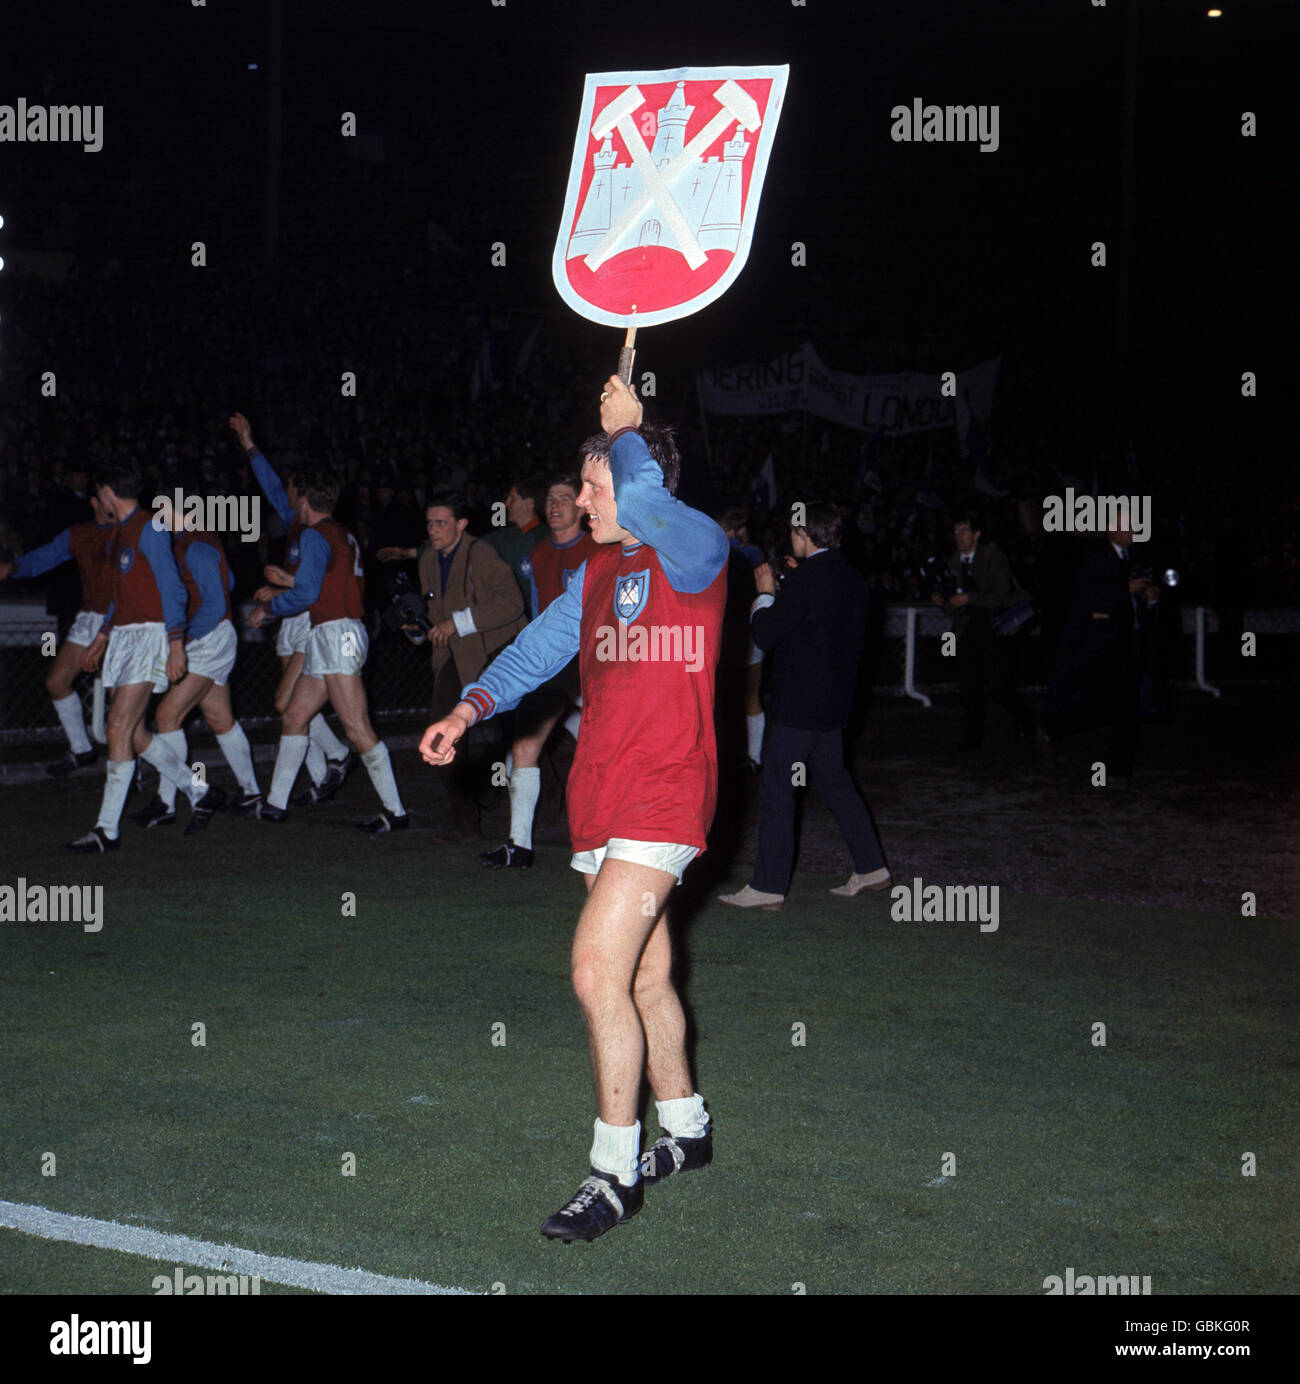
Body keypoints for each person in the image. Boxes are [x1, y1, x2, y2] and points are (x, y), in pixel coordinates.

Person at [419, 377, 729, 1243]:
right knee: (645, 977)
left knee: (594, 969)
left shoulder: (696, 551)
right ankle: (689, 1132)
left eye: (591, 485)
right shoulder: (595, 574)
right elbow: (531, 655)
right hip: (605, 794)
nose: (578, 499)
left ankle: (613, 1172)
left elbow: (643, 493)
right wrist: (467, 708)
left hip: (664, 793)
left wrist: (625, 435)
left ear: (636, 486)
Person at [718, 501, 891, 908]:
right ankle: (872, 867)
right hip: (836, 708)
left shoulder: (806, 581)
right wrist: (791, 588)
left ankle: (768, 887)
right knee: (836, 782)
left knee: (778, 789)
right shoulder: (852, 578)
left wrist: (764, 596)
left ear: (803, 534)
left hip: (799, 707)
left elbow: (765, 636)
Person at [65, 466, 228, 851]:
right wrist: (103, 634)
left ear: (106, 492)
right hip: (124, 635)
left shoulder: (150, 528)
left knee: (118, 725)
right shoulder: (122, 531)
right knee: (133, 732)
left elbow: (173, 588)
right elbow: (120, 595)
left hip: (148, 636)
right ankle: (200, 791)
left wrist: (174, 642)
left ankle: (106, 831)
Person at [248, 467, 408, 831]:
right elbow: (320, 587)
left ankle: (396, 813)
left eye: (293, 496)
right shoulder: (342, 533)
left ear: (304, 501)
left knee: (356, 727)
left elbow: (306, 593)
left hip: (337, 633)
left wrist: (268, 607)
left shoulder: (316, 535)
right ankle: (274, 805)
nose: (289, 501)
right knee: (293, 714)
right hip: (330, 632)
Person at [231, 413, 356, 805]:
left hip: (311, 614)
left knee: (288, 703)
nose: (284, 492)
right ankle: (324, 776)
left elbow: (314, 585)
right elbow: (269, 485)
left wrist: (279, 591)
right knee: (295, 704)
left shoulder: (321, 529)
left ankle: (334, 758)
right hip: (294, 615)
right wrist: (249, 446)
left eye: (291, 488)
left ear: (304, 494)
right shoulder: (295, 521)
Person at [480, 463, 598, 869]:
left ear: (582, 507)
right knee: (525, 745)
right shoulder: (538, 553)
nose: (555, 506)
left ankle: (617, 834)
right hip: (550, 663)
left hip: (591, 664)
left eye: (565, 499)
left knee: (601, 746)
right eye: (550, 500)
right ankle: (520, 845)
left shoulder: (599, 551)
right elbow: (536, 612)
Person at [127, 499, 263, 827]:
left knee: (166, 715)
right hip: (215, 636)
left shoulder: (195, 545)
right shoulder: (199, 539)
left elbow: (216, 604)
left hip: (208, 637)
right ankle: (251, 793)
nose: (159, 518)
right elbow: (228, 582)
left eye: (165, 511)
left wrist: (183, 640)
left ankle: (170, 801)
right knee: (219, 719)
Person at [405, 488, 526, 839]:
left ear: (461, 525)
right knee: (442, 732)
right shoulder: (428, 559)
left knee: (521, 733)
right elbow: (435, 617)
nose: (433, 530)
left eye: (441, 523)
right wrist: (418, 630)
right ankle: (465, 823)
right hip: (455, 659)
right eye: (429, 523)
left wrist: (457, 622)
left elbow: (512, 603)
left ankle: (543, 813)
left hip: (497, 653)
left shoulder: (481, 553)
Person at [1040, 507, 1161, 779]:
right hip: (1103, 642)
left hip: (1132, 641)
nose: (1132, 530)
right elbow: (1086, 597)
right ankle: (1052, 727)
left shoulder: (1136, 557)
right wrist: (1123, 589)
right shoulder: (1094, 557)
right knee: (1095, 701)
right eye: (1126, 525)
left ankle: (1121, 766)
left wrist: (1151, 596)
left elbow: (1142, 598)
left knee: (1127, 706)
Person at [0, 492, 115, 775]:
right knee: (56, 681)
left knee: (121, 699)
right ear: (95, 501)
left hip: (123, 618)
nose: (115, 502)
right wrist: (12, 567)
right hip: (89, 617)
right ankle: (82, 749)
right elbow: (45, 557)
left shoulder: (131, 531)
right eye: (108, 496)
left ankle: (129, 767)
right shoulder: (80, 533)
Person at [934, 510, 1032, 750]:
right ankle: (973, 736)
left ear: (976, 534)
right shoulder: (953, 562)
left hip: (993, 628)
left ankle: (1025, 721)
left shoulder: (992, 557)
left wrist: (969, 598)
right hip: (967, 630)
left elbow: (1000, 597)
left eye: (964, 531)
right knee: (969, 684)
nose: (958, 536)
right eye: (956, 531)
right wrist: (944, 603)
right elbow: (954, 607)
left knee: (999, 684)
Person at [480, 475, 548, 613]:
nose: (506, 504)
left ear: (529, 503)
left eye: (512, 499)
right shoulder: (501, 537)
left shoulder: (546, 539)